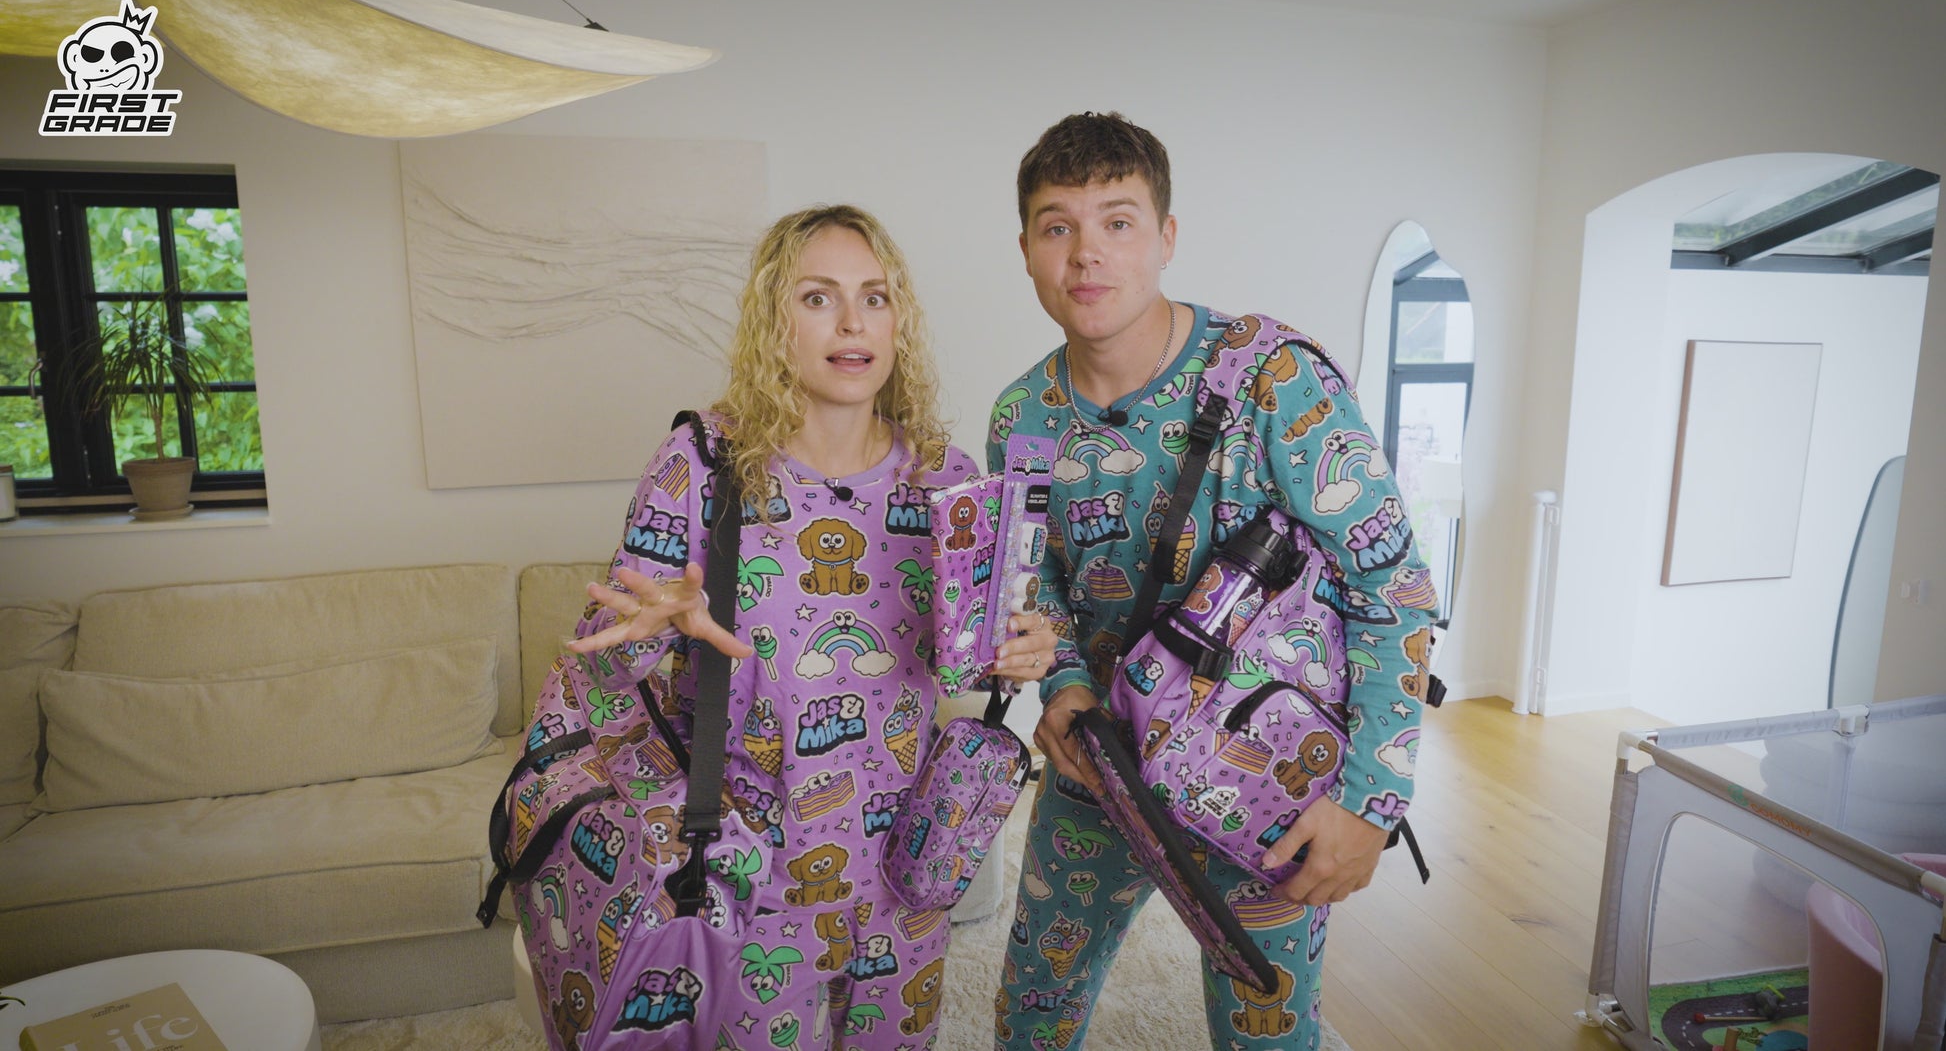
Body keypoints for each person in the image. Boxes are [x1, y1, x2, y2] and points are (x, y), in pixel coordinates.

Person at [562, 204, 1057, 1050]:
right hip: (749, 873)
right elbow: (600, 675)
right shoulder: (702, 465)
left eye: (875, 296)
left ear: (898, 322)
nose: (853, 321)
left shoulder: (947, 480)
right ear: (774, 320)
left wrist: (1021, 652)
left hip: (906, 869)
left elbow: (971, 662)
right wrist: (660, 629)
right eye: (819, 297)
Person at [990, 113, 1435, 1050]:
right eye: (1057, 225)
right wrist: (1063, 685)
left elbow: (1392, 585)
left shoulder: (1275, 378)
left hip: (1266, 773)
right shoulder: (1020, 416)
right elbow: (1038, 585)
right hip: (1100, 765)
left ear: (1166, 237)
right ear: (1025, 249)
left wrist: (1370, 800)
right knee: (1032, 1011)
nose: (1086, 253)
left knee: (1264, 1031)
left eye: (1117, 222)